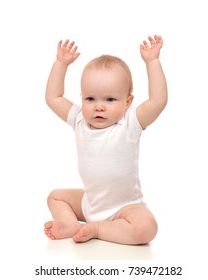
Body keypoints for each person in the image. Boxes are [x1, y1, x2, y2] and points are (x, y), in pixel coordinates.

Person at [44, 35, 167, 245]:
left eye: (110, 99)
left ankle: (99, 229)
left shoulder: (130, 123)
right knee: (55, 197)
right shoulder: (80, 119)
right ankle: (69, 222)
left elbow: (158, 101)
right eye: (90, 99)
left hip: (125, 208)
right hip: (90, 202)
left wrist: (152, 62)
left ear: (128, 102)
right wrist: (60, 64)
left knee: (147, 229)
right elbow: (53, 98)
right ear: (82, 97)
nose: (99, 106)